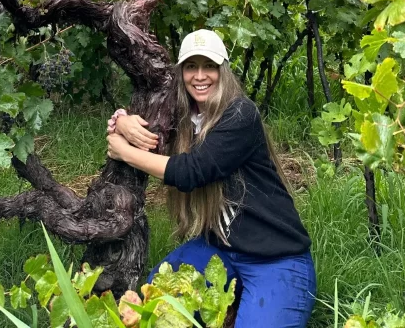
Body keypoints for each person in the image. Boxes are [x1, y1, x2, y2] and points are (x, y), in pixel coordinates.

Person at [106, 28, 316, 328]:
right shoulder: (183, 115)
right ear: (182, 73)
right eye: (191, 66)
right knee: (156, 301)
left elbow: (193, 171)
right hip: (220, 249)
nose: (200, 75)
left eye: (209, 66)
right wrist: (122, 122)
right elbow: (141, 131)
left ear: (223, 71)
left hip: (276, 259)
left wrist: (125, 153)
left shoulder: (241, 114)